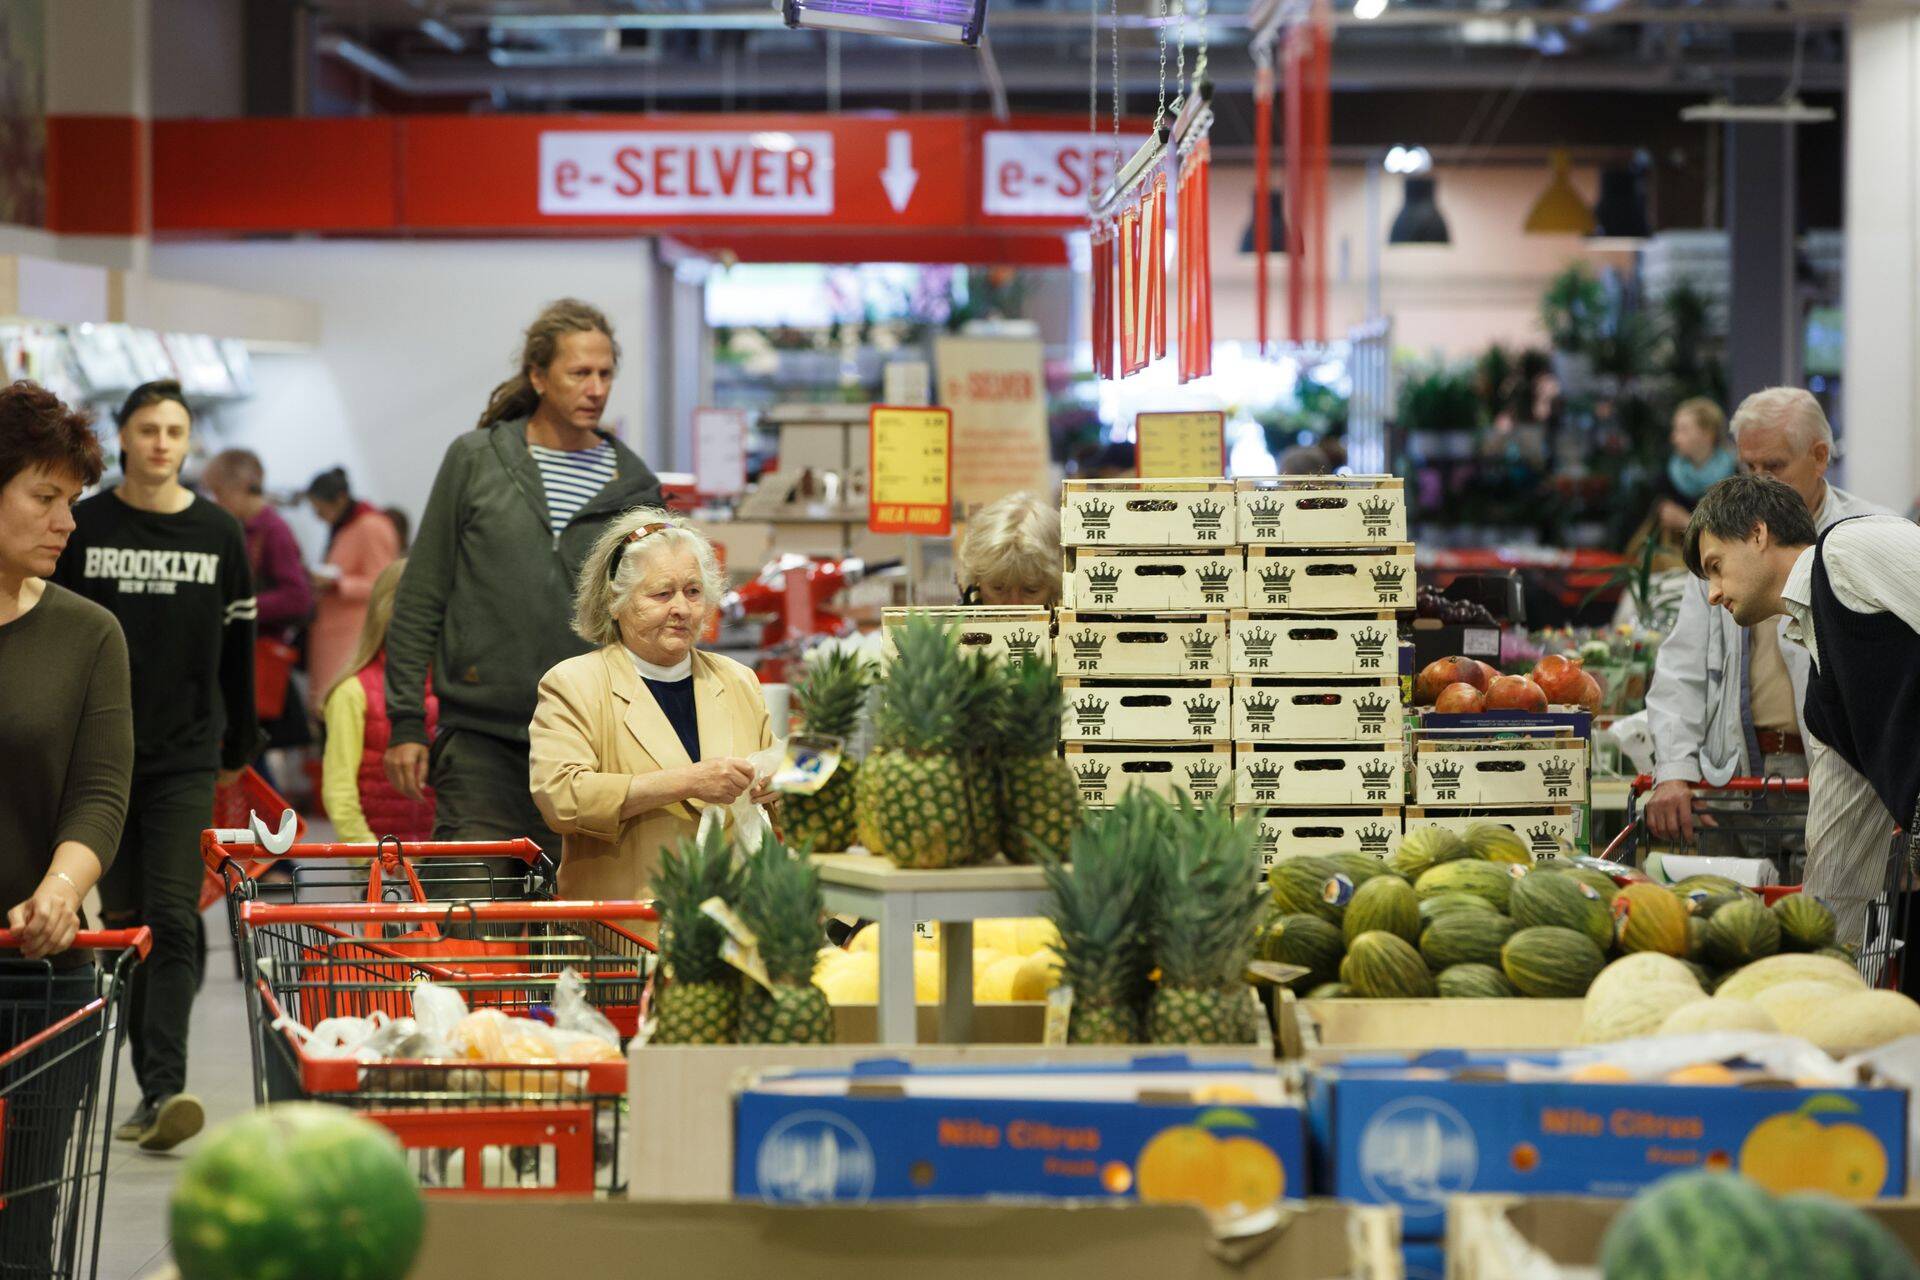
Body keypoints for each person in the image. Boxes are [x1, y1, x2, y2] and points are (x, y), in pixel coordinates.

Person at [51, 379, 258, 1152]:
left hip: (184, 758)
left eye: (175, 429)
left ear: (188, 441)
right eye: (148, 429)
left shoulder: (219, 533)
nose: (162, 443)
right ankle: (147, 1086)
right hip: (98, 758)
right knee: (126, 923)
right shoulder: (85, 524)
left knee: (173, 916)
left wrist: (240, 746)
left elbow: (238, 648)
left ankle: (164, 1088)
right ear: (125, 436)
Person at [384, 300, 662, 860]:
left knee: (577, 935)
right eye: (579, 373)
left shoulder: (636, 489)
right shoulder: (475, 460)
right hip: (479, 739)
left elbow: (649, 621)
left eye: (606, 373)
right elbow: (422, 595)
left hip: (591, 744)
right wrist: (406, 722)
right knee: (475, 925)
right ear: (538, 377)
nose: (596, 388)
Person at [1683, 474, 1920, 977]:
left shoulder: (1846, 550)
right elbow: (1840, 859)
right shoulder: (1827, 702)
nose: (1713, 593)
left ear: (1758, 533)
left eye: (1715, 567)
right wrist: (1818, 975)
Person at [0, 382, 132, 1273]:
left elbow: (101, 792)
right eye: (44, 497)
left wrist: (61, 890)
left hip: (41, 973)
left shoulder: (89, 634)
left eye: (72, 502)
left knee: (26, 1226)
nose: (65, 522)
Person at [1643, 387, 1890, 845]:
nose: (1760, 481)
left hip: (1844, 777)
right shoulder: (1723, 538)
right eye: (1748, 467)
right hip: (1734, 781)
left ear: (1819, 456)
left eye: (1773, 466)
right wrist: (1674, 770)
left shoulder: (1868, 535)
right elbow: (1682, 668)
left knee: (1832, 910)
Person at [529, 510, 772, 899]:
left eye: (693, 592)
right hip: (625, 933)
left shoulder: (738, 681)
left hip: (732, 927)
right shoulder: (574, 684)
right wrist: (690, 780)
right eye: (662, 593)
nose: (681, 608)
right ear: (615, 601)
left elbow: (776, 802)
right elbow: (562, 799)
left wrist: (778, 788)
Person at [203, 448, 313, 759]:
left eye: (219, 492)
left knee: (248, 757)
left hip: (261, 655)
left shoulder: (273, 530)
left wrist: (240, 604)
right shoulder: (246, 528)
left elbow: (297, 597)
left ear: (239, 486)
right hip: (250, 653)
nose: (216, 501)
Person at [319, 559, 435, 844]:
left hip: (447, 864)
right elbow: (340, 791)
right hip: (380, 872)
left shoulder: (455, 687)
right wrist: (374, 860)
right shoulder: (352, 692)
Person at [304, 467, 400, 702]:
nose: (318, 516)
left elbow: (384, 582)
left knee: (345, 703)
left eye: (321, 509)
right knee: (328, 705)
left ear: (340, 499)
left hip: (354, 633)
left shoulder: (371, 526)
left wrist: (338, 583)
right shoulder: (347, 526)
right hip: (333, 630)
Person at [955, 491, 1061, 607]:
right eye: (998, 588)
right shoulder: (951, 625)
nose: (1014, 605)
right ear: (976, 581)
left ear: (1055, 589)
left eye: (1031, 590)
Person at [1653, 398, 1738, 536]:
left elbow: (1734, 534)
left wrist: (1686, 522)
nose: (1674, 438)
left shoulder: (1735, 477)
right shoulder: (1667, 477)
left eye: (1683, 430)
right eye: (1675, 429)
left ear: (1708, 434)